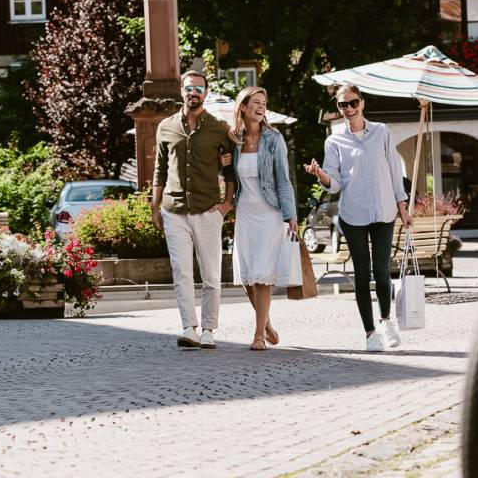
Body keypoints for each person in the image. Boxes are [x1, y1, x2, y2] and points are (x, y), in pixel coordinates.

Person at [305, 85, 412, 351]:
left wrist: (403, 208)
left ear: (362, 103)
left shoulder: (382, 132)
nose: (349, 109)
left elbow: (394, 172)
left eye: (353, 103)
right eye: (343, 105)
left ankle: (387, 321)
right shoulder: (334, 141)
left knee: (383, 271)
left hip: (384, 210)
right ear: (338, 108)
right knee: (362, 274)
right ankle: (370, 333)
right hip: (353, 214)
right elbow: (336, 184)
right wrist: (321, 176)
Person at [151, 71, 236, 348]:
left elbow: (230, 169)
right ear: (181, 91)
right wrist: (155, 205)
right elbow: (159, 170)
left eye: (199, 88)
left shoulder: (220, 129)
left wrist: (226, 204)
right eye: (189, 88)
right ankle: (189, 327)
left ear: (206, 93)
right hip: (173, 210)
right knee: (182, 272)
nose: (193, 93)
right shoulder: (165, 127)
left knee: (211, 274)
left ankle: (209, 329)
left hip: (208, 210)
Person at [229, 87, 298, 350]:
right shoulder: (234, 139)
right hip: (245, 212)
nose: (261, 107)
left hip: (270, 213)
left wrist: (290, 215)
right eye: (255, 103)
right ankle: (266, 322)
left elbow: (284, 179)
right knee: (247, 276)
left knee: (262, 275)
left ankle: (258, 335)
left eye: (264, 103)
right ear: (243, 107)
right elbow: (227, 173)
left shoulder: (274, 139)